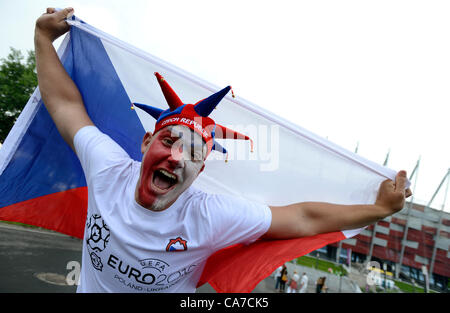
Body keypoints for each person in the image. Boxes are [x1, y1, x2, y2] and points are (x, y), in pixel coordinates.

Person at [34, 8, 412, 293]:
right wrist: (42, 38)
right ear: (146, 143)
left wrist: (378, 209)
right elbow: (67, 106)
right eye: (168, 141)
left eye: (194, 154)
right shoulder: (108, 167)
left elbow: (303, 217)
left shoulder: (208, 215)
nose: (177, 157)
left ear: (200, 172)